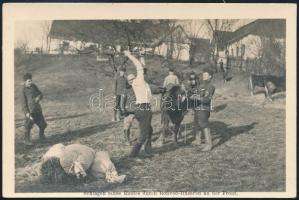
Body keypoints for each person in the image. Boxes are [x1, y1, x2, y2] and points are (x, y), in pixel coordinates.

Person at [37, 143, 126, 184]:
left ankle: (111, 175)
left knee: (100, 162)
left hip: (85, 154)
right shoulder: (61, 156)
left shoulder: (66, 157)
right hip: (81, 154)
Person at [123, 50, 154, 158]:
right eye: (130, 79)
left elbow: (142, 68)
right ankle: (132, 155)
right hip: (143, 109)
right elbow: (140, 68)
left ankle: (148, 150)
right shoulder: (138, 81)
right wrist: (130, 55)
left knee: (149, 130)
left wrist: (142, 56)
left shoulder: (141, 82)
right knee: (144, 135)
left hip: (143, 109)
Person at [187, 69, 215, 151]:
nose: (204, 76)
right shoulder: (201, 85)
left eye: (206, 75)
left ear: (210, 76)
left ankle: (209, 144)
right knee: (197, 123)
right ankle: (198, 140)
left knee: (204, 124)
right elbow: (195, 92)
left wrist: (196, 97)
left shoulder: (210, 86)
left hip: (204, 108)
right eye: (203, 75)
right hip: (197, 107)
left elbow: (207, 99)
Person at [21, 73, 47, 146]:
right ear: (25, 82)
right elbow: (23, 103)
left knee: (43, 125)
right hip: (30, 111)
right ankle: (27, 140)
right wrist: (27, 113)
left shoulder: (34, 86)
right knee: (28, 126)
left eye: (31, 80)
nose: (31, 82)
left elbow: (40, 94)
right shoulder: (23, 90)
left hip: (37, 110)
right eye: (29, 81)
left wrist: (39, 97)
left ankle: (41, 136)